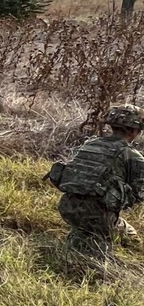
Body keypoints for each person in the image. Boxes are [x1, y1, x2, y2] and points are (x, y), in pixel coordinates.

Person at [49, 104, 144, 260]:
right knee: (129, 242)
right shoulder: (131, 155)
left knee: (83, 232)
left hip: (68, 207)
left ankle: (77, 243)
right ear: (134, 130)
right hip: (99, 216)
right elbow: (140, 193)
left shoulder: (91, 144)